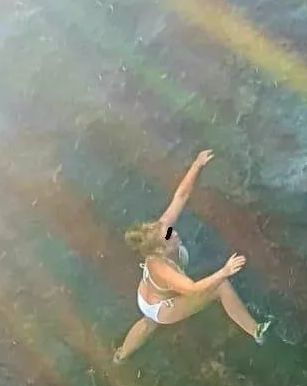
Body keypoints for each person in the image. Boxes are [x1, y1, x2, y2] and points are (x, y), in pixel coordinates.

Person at [112, 149, 272, 364]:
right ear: (159, 251)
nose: (174, 233)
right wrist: (224, 271)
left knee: (148, 322)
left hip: (150, 297)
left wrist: (197, 165)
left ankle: (121, 355)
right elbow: (192, 289)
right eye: (169, 237)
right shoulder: (162, 268)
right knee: (221, 287)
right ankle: (256, 331)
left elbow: (181, 196)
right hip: (162, 307)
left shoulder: (161, 231)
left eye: (170, 230)